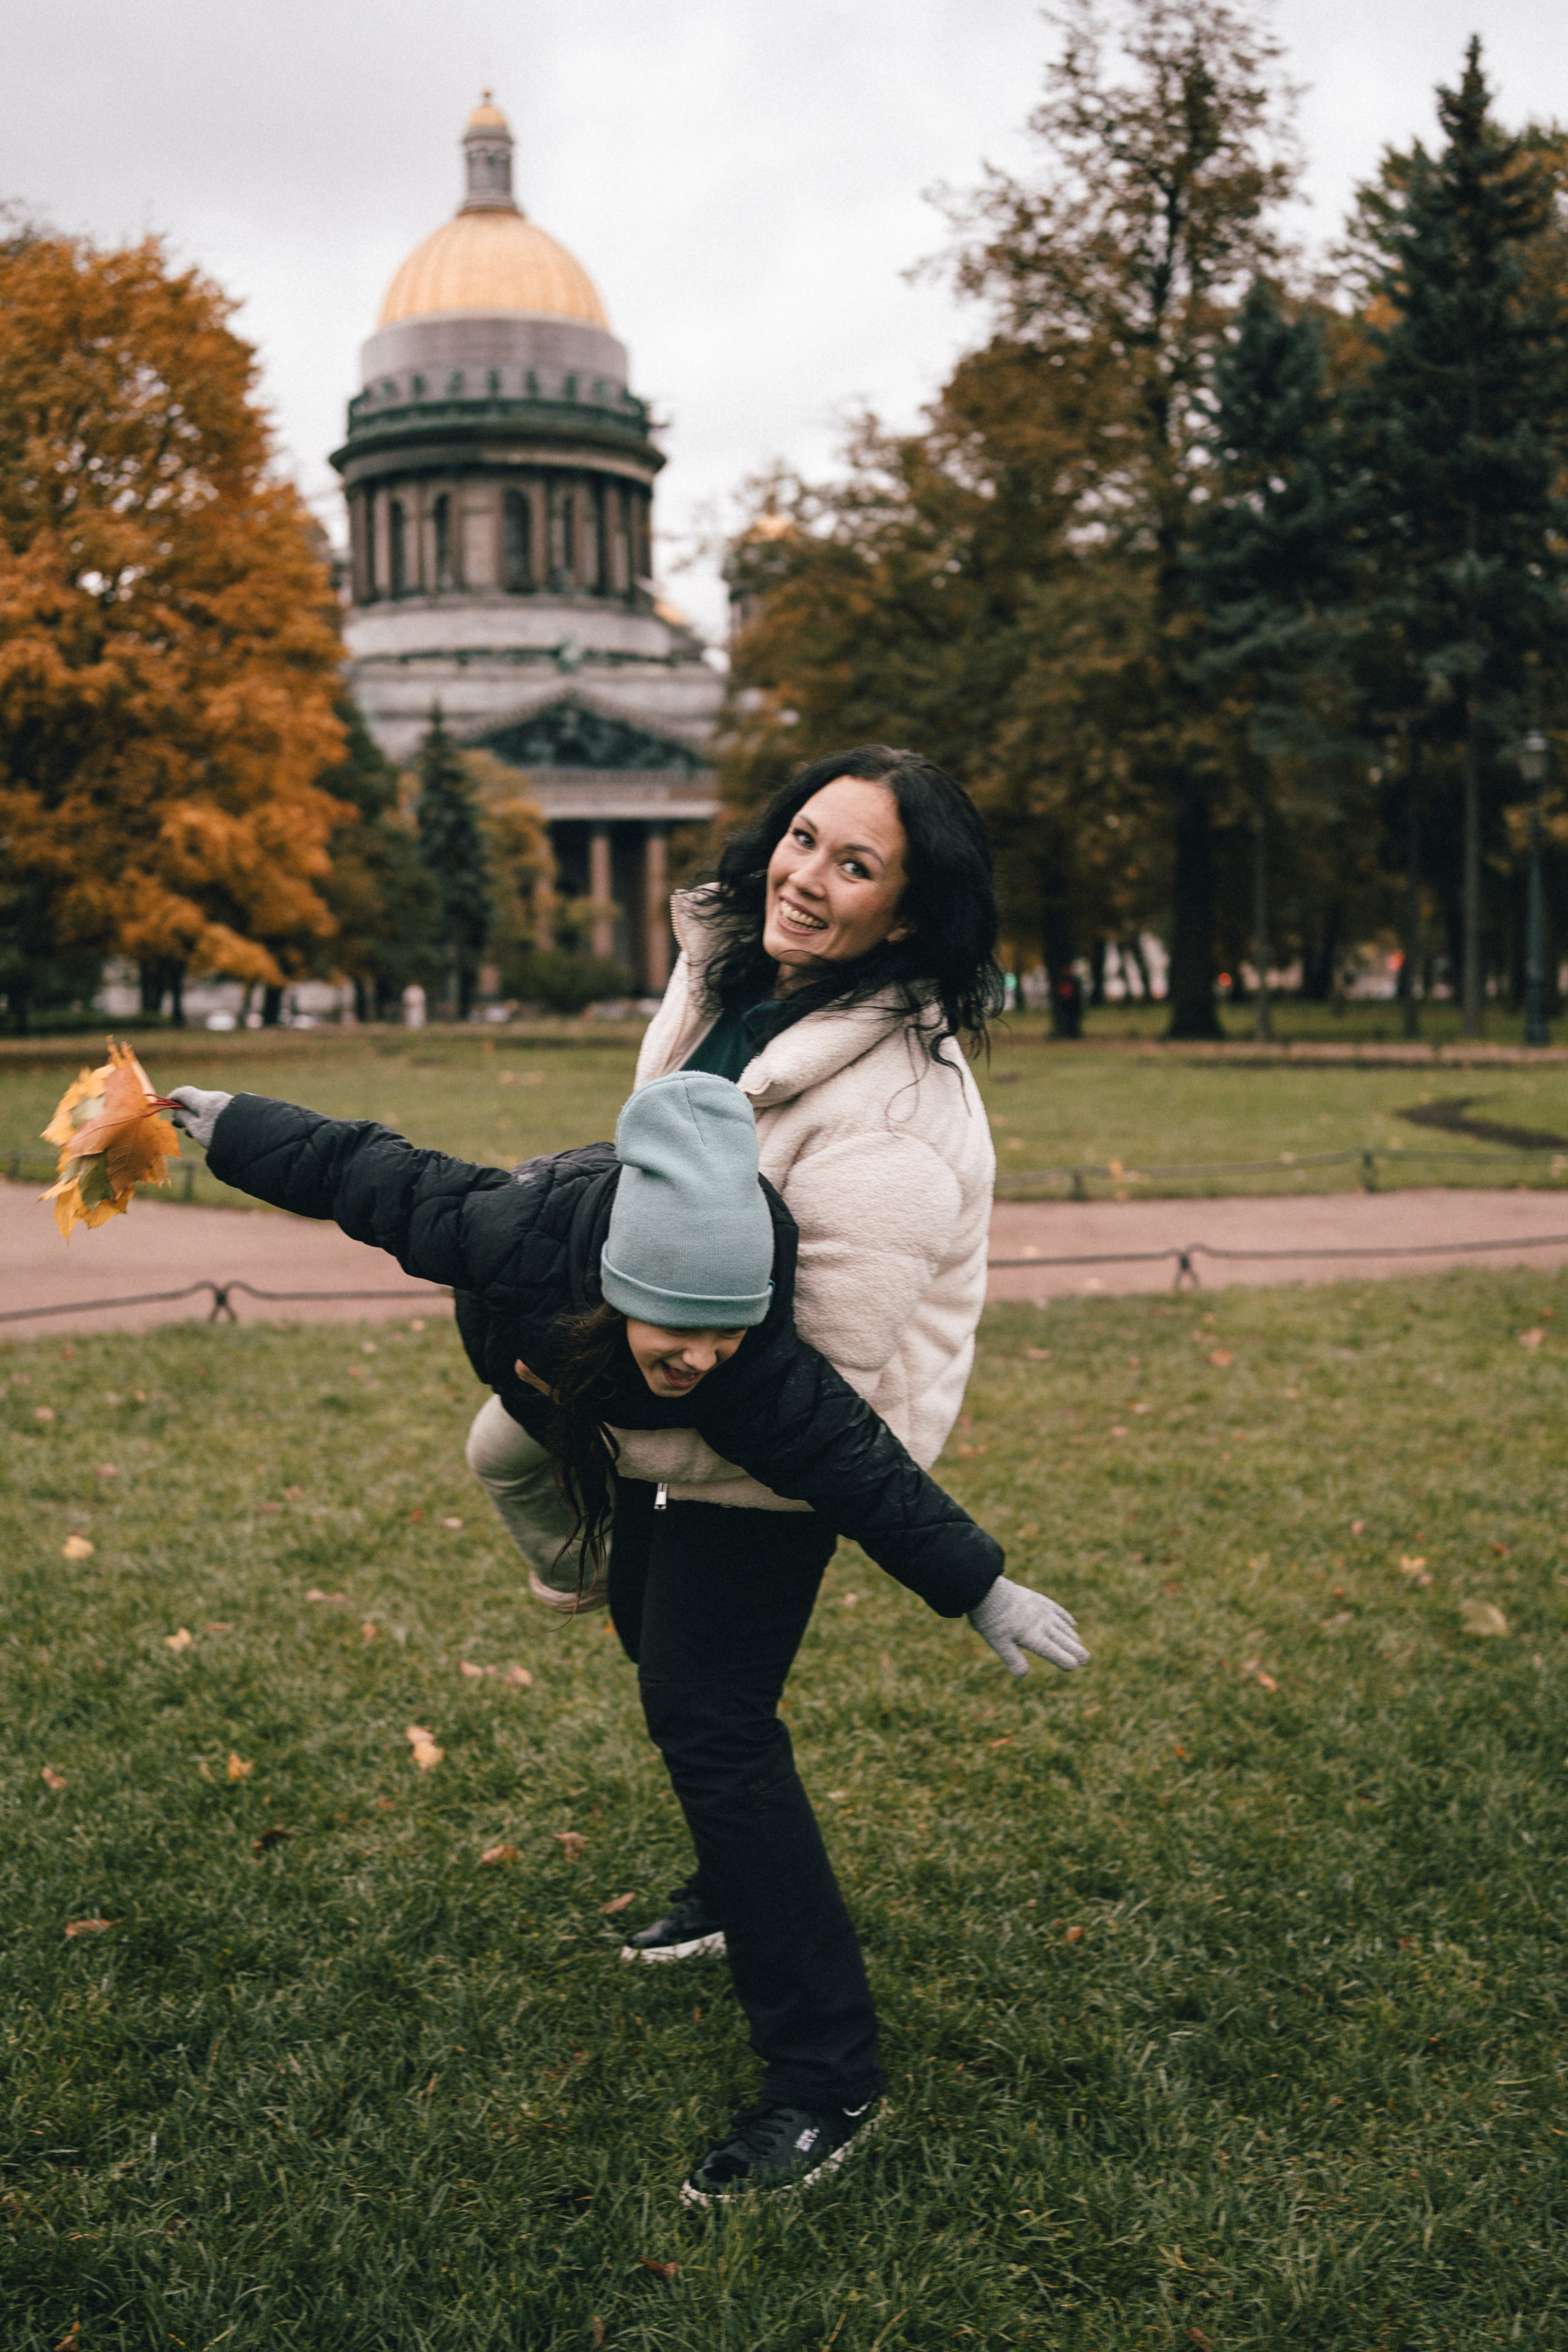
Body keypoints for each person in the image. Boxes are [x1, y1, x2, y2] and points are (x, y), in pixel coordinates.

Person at [167, 1071, 1087, 2204]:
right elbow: (369, 1174)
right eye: (685, 1334)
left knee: (694, 1687)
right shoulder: (507, 1231)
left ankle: (819, 2058)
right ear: (621, 1283)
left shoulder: (753, 1375)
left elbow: (861, 1468)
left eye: (728, 1339)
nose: (704, 1358)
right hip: (550, 1381)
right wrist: (238, 1127)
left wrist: (982, 1587)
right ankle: (576, 1573)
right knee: (496, 1462)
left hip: (620, 1410)